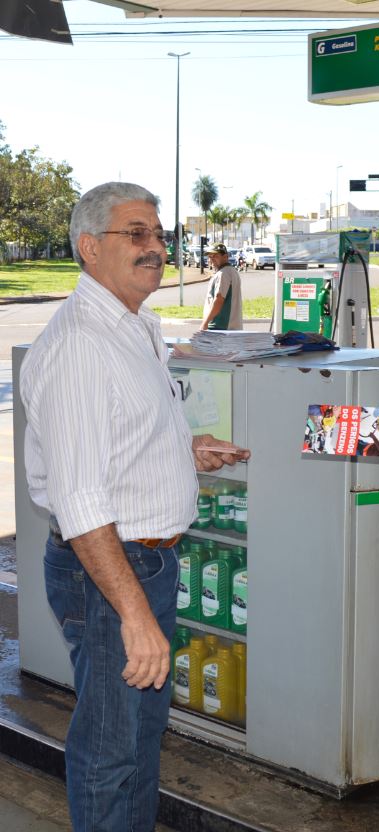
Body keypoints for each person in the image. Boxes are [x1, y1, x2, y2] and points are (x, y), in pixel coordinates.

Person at [19, 182, 250, 832]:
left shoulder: (136, 326)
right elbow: (80, 497)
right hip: (109, 576)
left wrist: (184, 447)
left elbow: (118, 442)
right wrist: (133, 617)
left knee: (142, 740)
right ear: (91, 248)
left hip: (141, 568)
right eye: (136, 234)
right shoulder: (81, 347)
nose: (156, 247)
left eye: (158, 232)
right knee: (110, 751)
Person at [201, 242, 243, 330]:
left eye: (215, 256)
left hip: (220, 328)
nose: (211, 259)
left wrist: (205, 323)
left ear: (225, 257)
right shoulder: (232, 271)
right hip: (230, 328)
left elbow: (219, 299)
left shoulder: (223, 274)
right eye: (210, 257)